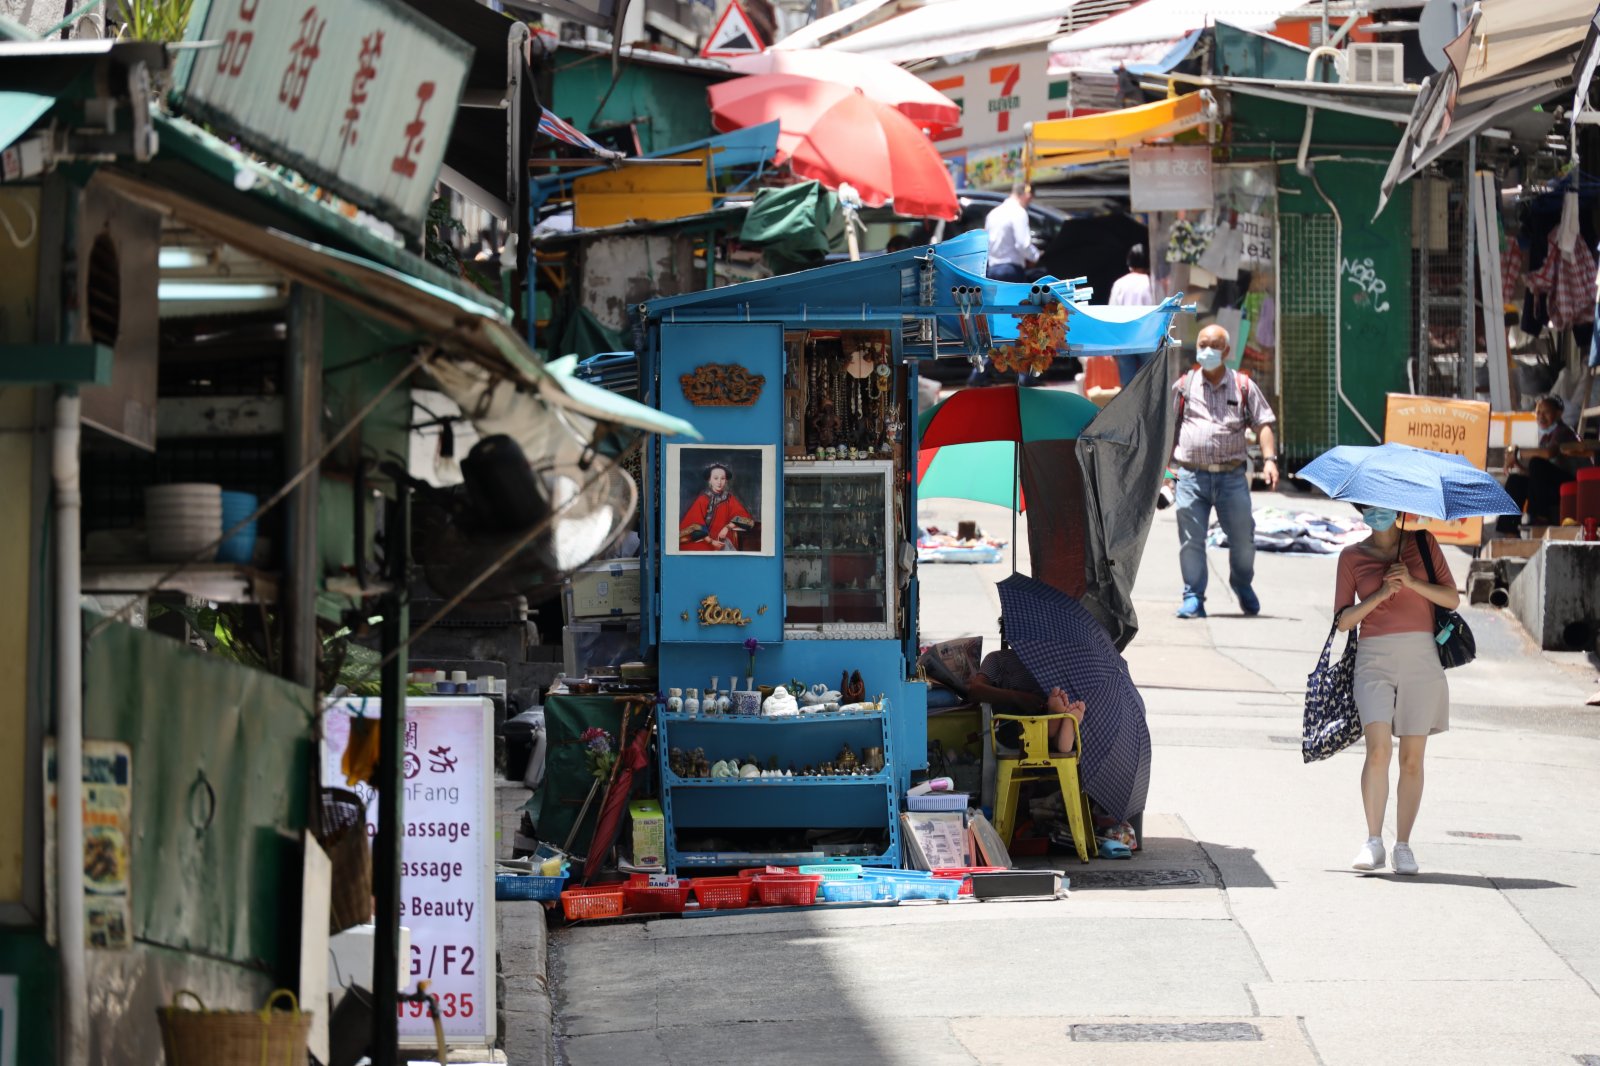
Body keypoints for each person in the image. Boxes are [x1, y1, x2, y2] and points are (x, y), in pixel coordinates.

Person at [1332, 506, 1459, 876]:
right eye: (1368, 507)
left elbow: (1451, 599)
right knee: (1378, 749)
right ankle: (1373, 841)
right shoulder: (1352, 556)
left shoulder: (1422, 543)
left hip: (1422, 657)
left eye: (1383, 507)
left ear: (1399, 509)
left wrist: (1413, 583)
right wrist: (1382, 593)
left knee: (1412, 759)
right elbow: (1343, 622)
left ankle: (1403, 845)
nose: (1376, 513)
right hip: (1373, 658)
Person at [1171, 324, 1279, 618]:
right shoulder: (1184, 385)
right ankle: (1193, 596)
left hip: (1231, 477)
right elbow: (1169, 428)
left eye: (1213, 345)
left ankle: (1242, 583)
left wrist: (1270, 459)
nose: (1206, 350)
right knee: (1191, 541)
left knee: (1243, 539)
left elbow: (1264, 423)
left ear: (1226, 352)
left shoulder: (1243, 385)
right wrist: (1166, 472)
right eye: (1202, 344)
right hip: (1192, 477)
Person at [966, 620, 1084, 755]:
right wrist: (1016, 697)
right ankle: (1057, 732)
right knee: (1046, 721)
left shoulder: (1052, 661)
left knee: (1057, 703)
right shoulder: (997, 659)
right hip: (1015, 727)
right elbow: (975, 691)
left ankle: (1056, 723)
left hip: (1044, 716)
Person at [971, 183, 1041, 387]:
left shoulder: (993, 213)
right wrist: (1037, 256)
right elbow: (1023, 244)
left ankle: (979, 373)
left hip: (992, 271)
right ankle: (1024, 375)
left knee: (995, 323)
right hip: (1011, 271)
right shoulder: (1018, 213)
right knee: (1020, 322)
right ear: (1025, 195)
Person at [1500, 394, 1580, 531]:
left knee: (1537, 463)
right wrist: (1519, 466)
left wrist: (1517, 454)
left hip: (1573, 482)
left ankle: (1539, 517)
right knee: (1516, 480)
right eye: (1538, 413)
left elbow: (1550, 453)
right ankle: (1509, 531)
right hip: (1552, 486)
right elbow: (1538, 475)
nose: (1541, 417)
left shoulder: (1563, 431)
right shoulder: (1545, 438)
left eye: (1546, 412)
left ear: (1559, 413)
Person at [1108, 243, 1158, 386]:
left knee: (1128, 386)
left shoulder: (1119, 284)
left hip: (1124, 340)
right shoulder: (1152, 283)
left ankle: (1131, 408)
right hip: (1148, 339)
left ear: (1129, 263)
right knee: (1150, 384)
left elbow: (1112, 314)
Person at [678, 463, 753, 551]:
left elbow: (746, 519)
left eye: (723, 478)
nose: (719, 482)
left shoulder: (729, 498)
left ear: (726, 481)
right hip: (704, 540)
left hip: (722, 539)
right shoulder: (702, 499)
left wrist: (727, 527)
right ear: (710, 480)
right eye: (716, 478)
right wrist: (711, 541)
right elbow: (694, 525)